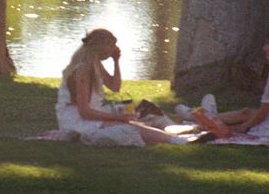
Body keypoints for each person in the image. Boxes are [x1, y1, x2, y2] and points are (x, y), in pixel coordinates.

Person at [57, 28, 198, 146]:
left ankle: (175, 131)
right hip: (78, 122)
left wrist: (116, 61)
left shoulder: (94, 63)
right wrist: (117, 117)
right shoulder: (83, 71)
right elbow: (84, 112)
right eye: (112, 47)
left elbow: (115, 86)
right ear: (103, 49)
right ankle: (178, 140)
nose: (114, 50)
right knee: (129, 126)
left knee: (146, 108)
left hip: (92, 114)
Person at [192, 29, 269, 140]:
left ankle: (203, 118)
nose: (265, 48)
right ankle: (207, 116)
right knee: (246, 112)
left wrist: (243, 127)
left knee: (242, 120)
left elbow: (263, 112)